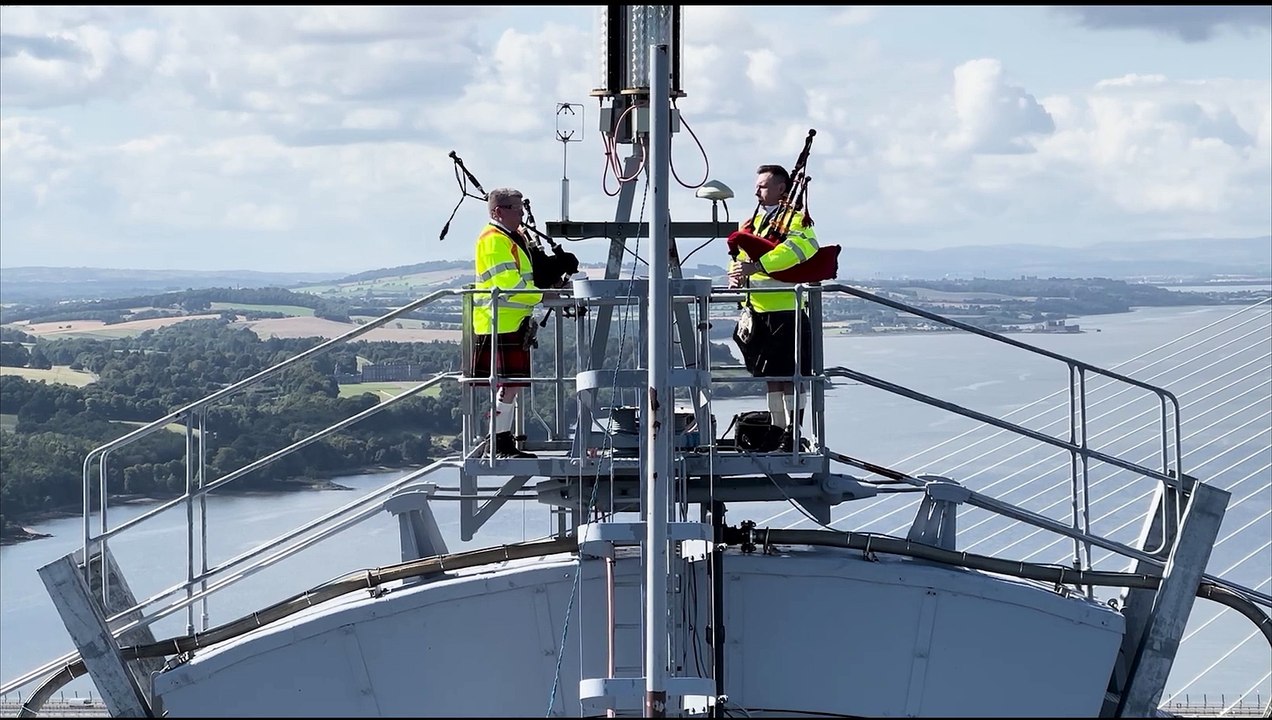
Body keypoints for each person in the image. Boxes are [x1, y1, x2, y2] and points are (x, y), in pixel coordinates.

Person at [727, 164, 819, 452]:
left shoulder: (797, 220)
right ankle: (778, 428)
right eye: (756, 186)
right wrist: (735, 275)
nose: (757, 190)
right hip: (757, 312)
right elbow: (739, 257)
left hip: (787, 310)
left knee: (791, 376)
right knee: (771, 377)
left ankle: (793, 430)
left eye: (763, 186)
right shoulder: (749, 223)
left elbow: (801, 250)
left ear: (781, 188)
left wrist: (759, 266)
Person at [470, 187, 543, 458]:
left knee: (510, 385)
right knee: (507, 383)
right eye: (516, 208)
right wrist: (543, 294)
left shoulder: (511, 237)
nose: (522, 213)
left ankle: (500, 440)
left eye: (522, 208)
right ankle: (498, 442)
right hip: (497, 321)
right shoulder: (493, 239)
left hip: (508, 321)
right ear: (498, 211)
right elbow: (508, 283)